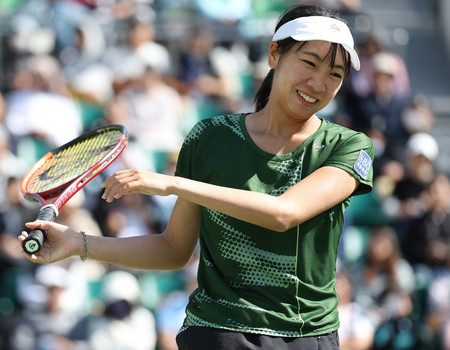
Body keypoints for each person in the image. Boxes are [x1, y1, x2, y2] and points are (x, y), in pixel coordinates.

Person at [18, 5, 374, 349]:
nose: (318, 83)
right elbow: (173, 250)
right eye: (309, 62)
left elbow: (284, 214)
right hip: (217, 333)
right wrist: (78, 243)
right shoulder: (210, 137)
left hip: (306, 337)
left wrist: (174, 183)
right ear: (274, 55)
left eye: (335, 75)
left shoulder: (349, 146)